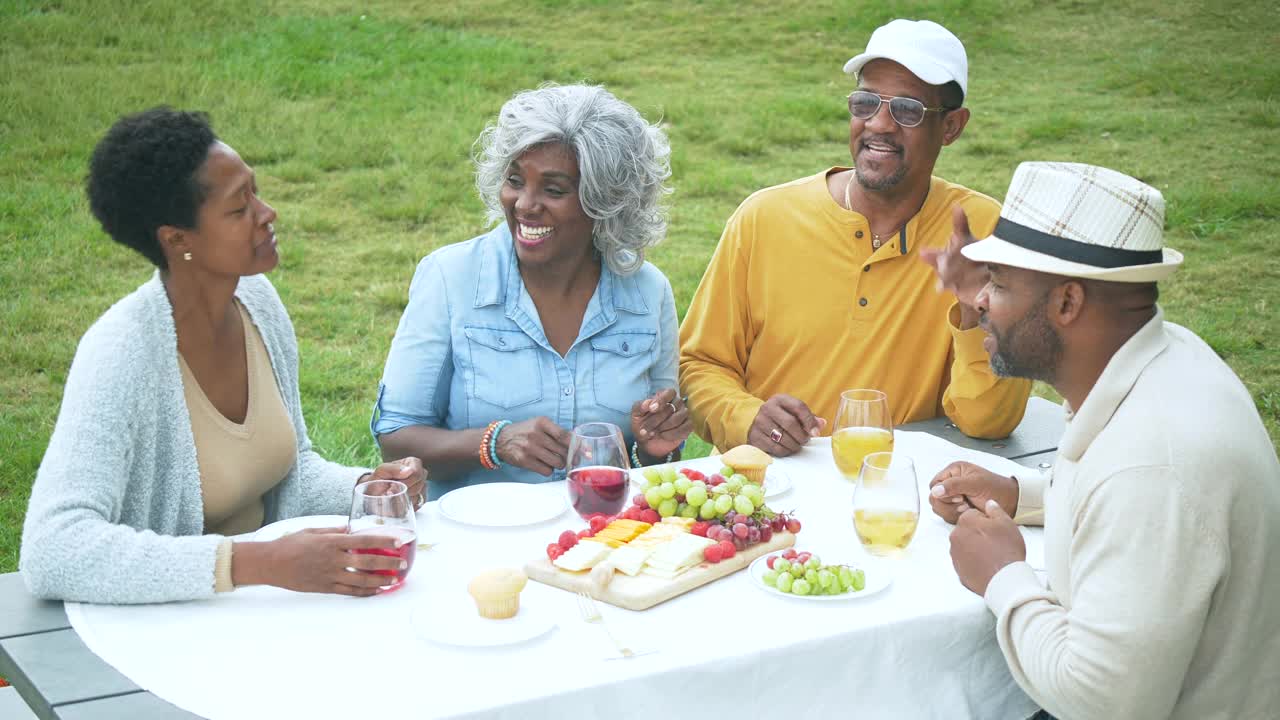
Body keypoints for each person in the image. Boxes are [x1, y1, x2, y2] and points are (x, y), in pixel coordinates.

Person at [20, 108, 427, 604]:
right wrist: (256, 563)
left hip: (248, 611)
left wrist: (367, 488)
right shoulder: (122, 354)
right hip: (153, 630)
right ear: (177, 239)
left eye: (254, 190)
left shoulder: (256, 301)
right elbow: (52, 549)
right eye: (240, 208)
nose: (267, 212)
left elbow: (286, 473)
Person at [931, 162, 1280, 719]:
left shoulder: (1153, 469)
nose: (979, 303)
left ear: (1067, 303)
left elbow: (1102, 704)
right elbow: (1121, 494)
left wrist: (1003, 575)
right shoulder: (1172, 354)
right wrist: (1023, 495)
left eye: (998, 284)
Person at [678, 19, 1031, 455]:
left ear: (952, 127)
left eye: (907, 110)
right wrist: (746, 417)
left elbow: (988, 422)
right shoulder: (764, 217)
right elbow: (698, 364)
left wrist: (976, 307)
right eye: (865, 102)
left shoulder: (984, 232)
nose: (879, 124)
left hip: (897, 497)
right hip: (763, 492)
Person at [373, 84, 692, 499]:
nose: (524, 204)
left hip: (602, 536)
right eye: (514, 180)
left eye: (553, 189)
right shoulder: (450, 278)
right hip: (478, 537)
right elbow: (396, 438)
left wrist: (654, 448)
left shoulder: (649, 293)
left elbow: (656, 460)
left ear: (605, 203)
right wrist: (495, 443)